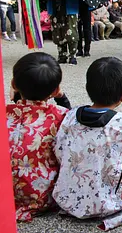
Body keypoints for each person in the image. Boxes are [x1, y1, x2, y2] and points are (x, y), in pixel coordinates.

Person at [52, 57, 122, 230]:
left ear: (87, 88)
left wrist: (62, 99)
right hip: (109, 205)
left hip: (67, 200)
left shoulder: (70, 116)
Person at [7, 52, 71, 221]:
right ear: (56, 90)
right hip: (40, 198)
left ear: (14, 84)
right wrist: (62, 98)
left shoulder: (4, 114)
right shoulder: (61, 116)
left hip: (3, 197)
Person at [48, 0, 80, 65]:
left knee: (71, 33)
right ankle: (62, 55)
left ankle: (72, 55)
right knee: (58, 33)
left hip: (69, 7)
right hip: (54, 7)